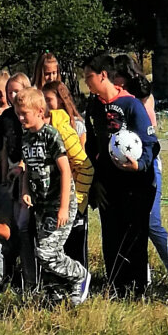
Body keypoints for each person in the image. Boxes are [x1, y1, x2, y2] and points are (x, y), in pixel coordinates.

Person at [84, 53, 157, 298]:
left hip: (135, 185)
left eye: (89, 77)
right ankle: (116, 288)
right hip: (108, 185)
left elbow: (150, 143)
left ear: (103, 75)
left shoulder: (132, 105)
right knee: (111, 238)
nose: (86, 82)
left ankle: (138, 290)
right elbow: (91, 147)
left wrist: (140, 166)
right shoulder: (93, 106)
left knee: (135, 238)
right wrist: (96, 183)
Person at [113, 57, 168, 293]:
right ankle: (141, 278)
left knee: (152, 223)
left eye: (117, 77)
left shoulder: (139, 98)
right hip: (129, 166)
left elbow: (148, 141)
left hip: (148, 165)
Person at [15, 86, 90, 303]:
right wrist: (25, 190)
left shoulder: (51, 135)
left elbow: (65, 170)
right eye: (18, 113)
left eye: (24, 113)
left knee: (46, 252)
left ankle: (79, 276)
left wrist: (64, 207)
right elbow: (27, 168)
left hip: (59, 203)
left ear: (39, 111)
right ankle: (56, 293)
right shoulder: (26, 137)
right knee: (45, 251)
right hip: (41, 204)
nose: (20, 118)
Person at [44, 81, 94, 268]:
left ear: (61, 99)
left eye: (49, 100)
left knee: (75, 245)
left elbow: (83, 164)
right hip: (55, 197)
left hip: (75, 195)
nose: (46, 105)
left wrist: (78, 202)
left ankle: (81, 282)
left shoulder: (74, 127)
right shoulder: (43, 130)